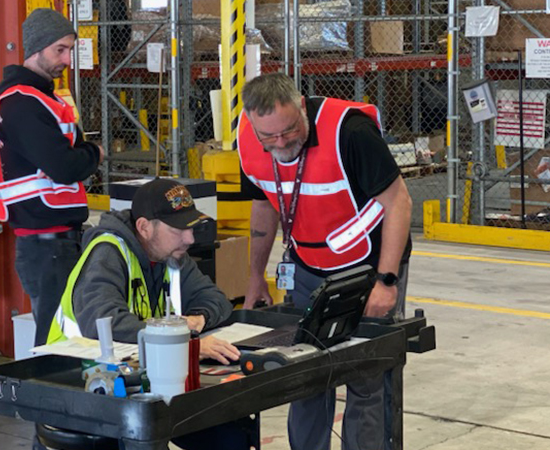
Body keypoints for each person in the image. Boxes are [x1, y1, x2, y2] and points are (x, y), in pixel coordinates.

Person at [237, 73, 413, 450]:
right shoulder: (248, 141)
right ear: (252, 123)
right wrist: (254, 277)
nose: (281, 142)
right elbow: (263, 203)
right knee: (303, 376)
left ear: (301, 106)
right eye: (270, 137)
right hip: (308, 265)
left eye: (288, 130)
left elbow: (399, 203)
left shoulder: (350, 132)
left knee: (365, 377)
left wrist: (386, 281)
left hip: (368, 266)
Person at [46, 178, 247, 450]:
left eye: (191, 228)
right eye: (179, 229)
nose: (190, 238)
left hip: (134, 386)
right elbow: (103, 323)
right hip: (74, 388)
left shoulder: (171, 255)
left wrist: (196, 321)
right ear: (144, 227)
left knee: (230, 434)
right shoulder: (108, 254)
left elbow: (217, 300)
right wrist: (185, 343)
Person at [0, 8, 104, 346]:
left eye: (70, 49)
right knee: (55, 340)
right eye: (60, 50)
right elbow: (65, 165)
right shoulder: (20, 103)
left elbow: (73, 151)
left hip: (58, 240)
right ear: (36, 48)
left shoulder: (44, 97)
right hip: (44, 244)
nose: (67, 59)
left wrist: (83, 154)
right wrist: (93, 154)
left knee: (64, 334)